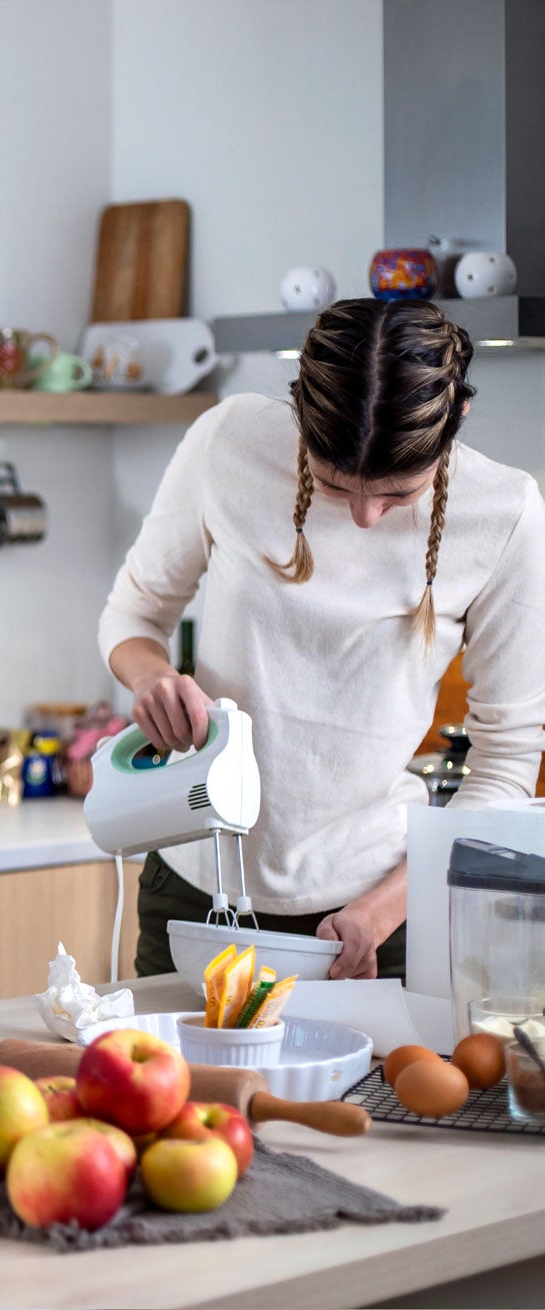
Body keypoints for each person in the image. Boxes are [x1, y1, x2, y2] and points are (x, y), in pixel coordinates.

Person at [101, 298, 545, 982]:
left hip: (381, 917)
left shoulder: (506, 513)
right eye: (337, 487)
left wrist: (387, 907)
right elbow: (132, 616)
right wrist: (151, 678)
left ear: (453, 420)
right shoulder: (229, 443)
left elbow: (506, 762)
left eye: (397, 496)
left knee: (378, 1096)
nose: (366, 518)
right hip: (197, 885)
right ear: (299, 413)